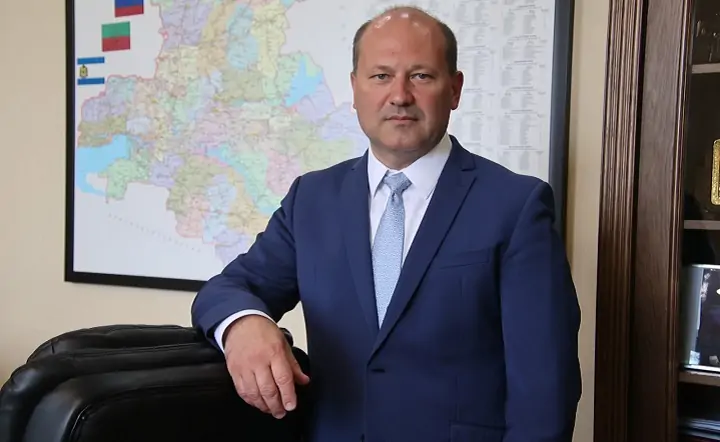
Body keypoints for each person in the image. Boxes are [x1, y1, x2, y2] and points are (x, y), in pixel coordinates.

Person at [191, 5, 582, 442]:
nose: (399, 95)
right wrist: (243, 325)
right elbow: (227, 289)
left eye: (421, 76)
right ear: (355, 88)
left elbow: (546, 393)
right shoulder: (312, 199)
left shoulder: (516, 206)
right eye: (381, 76)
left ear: (454, 90)